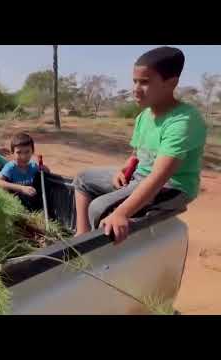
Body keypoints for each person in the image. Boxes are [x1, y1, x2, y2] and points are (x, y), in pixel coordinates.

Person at [73, 46, 207, 244]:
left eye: (145, 82)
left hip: (172, 186)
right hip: (140, 178)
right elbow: (137, 153)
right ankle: (81, 236)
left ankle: (94, 256)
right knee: (82, 179)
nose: (135, 89)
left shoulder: (183, 121)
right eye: (135, 81)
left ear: (171, 83)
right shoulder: (144, 116)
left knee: (99, 207)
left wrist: (121, 213)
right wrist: (125, 169)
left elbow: (158, 178)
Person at [0, 132, 49, 211]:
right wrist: (21, 188)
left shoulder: (34, 166)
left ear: (32, 151)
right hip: (14, 205)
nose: (23, 156)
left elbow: (46, 173)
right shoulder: (10, 167)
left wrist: (45, 169)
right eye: (19, 152)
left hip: (31, 205)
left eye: (27, 152)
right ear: (12, 153)